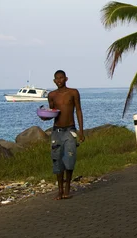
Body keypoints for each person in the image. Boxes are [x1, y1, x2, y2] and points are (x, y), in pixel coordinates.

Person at [46, 70, 84, 200]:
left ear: (66, 79)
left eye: (61, 78)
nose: (59, 81)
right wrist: (44, 117)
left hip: (70, 130)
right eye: (57, 79)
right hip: (57, 131)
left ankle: (67, 188)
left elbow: (78, 110)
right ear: (54, 81)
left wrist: (81, 131)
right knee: (57, 160)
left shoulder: (73, 92)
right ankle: (60, 190)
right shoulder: (52, 95)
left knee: (70, 159)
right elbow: (51, 113)